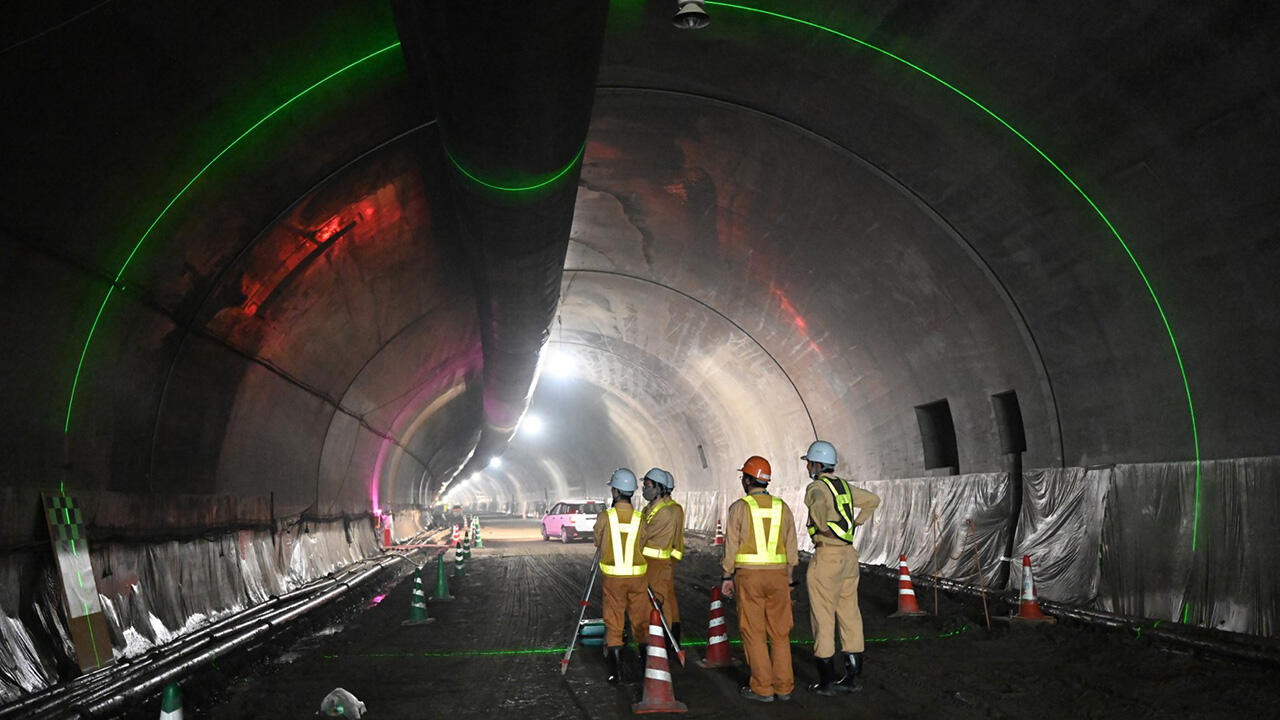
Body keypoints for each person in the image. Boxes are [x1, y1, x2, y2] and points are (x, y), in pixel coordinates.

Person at [800, 440, 881, 695]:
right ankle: (852, 678)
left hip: (827, 557)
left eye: (809, 463)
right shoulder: (843, 487)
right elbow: (873, 500)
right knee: (850, 616)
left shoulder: (816, 488)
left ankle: (825, 683)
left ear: (816, 465)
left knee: (823, 619)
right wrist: (855, 523)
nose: (808, 467)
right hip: (849, 557)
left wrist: (824, 526)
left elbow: (820, 514)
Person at [721, 455, 799, 703]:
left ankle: (763, 688)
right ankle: (784, 686)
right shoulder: (782, 507)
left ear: (747, 479)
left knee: (754, 632)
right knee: (779, 633)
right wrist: (788, 578)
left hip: (749, 578)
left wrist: (726, 575)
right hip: (778, 577)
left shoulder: (740, 508)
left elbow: (731, 546)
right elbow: (792, 549)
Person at [593, 467, 651, 683]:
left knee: (614, 621)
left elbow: (598, 542)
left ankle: (616, 674)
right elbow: (643, 542)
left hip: (614, 579)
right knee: (641, 621)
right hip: (638, 578)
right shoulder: (639, 518)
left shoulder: (605, 517)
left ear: (615, 491)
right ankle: (649, 669)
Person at [640, 467, 685, 643]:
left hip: (661, 560)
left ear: (660, 487)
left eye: (648, 485)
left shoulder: (670, 510)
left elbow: (646, 534)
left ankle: (667, 638)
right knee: (665, 597)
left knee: (662, 599)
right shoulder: (649, 509)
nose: (645, 489)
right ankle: (668, 636)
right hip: (653, 560)